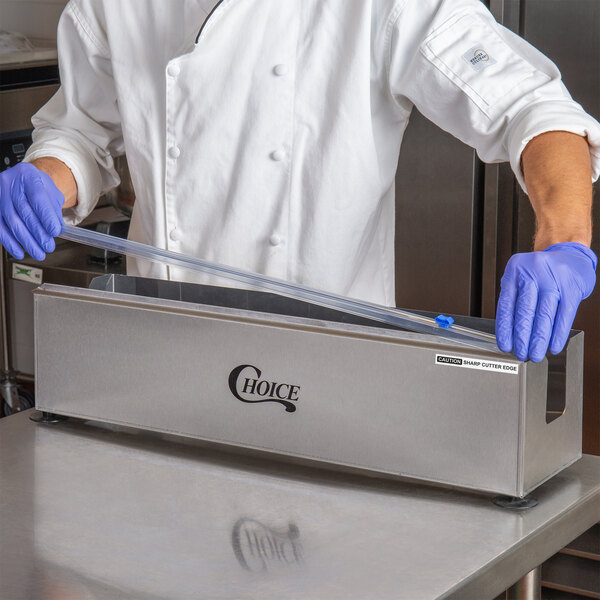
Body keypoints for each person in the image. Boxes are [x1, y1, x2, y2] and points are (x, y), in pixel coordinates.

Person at [0, 0, 598, 363]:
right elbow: (81, 130)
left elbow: (532, 110)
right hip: (163, 344)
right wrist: (46, 178)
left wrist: (565, 242)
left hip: (328, 353)